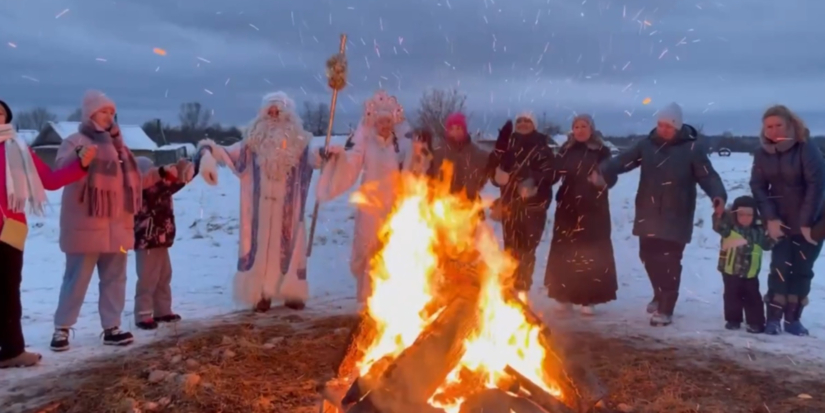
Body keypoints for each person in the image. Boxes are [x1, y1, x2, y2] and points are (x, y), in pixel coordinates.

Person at [50, 90, 176, 351]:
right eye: (103, 111)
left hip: (118, 226)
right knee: (76, 280)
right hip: (86, 227)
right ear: (90, 114)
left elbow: (134, 184)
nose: (108, 116)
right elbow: (61, 171)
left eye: (111, 112)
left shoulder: (121, 149)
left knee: (115, 279)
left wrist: (159, 174)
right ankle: (62, 329)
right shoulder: (75, 141)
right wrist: (80, 159)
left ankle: (112, 327)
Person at [590, 102, 727, 326]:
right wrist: (602, 170)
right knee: (648, 256)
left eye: (669, 126)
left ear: (678, 127)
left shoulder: (692, 149)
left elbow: (707, 176)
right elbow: (623, 161)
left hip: (678, 212)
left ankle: (666, 307)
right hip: (648, 210)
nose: (664, 129)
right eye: (661, 125)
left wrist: (718, 196)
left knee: (670, 260)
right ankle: (659, 292)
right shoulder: (647, 145)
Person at [196, 91, 332, 313]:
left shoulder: (300, 142)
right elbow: (228, 154)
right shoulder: (252, 143)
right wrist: (208, 151)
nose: (274, 115)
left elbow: (313, 158)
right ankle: (261, 294)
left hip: (288, 208)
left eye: (279, 111)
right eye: (270, 111)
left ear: (288, 114)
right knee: (260, 252)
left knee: (290, 250)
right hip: (260, 210)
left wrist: (323, 154)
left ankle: (292, 293)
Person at [0, 99, 93, 367]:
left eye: (1, 112)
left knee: (8, 292)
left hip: (10, 231)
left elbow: (51, 181)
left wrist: (81, 164)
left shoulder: (17, 149)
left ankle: (12, 350)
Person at [315, 90, 430, 303]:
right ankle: (369, 299)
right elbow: (351, 165)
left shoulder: (400, 145)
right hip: (370, 206)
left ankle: (391, 298)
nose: (384, 125)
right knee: (368, 249)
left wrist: (419, 152)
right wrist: (336, 159)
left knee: (391, 248)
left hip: (393, 204)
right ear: (374, 123)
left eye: (388, 122)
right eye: (381, 122)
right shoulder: (366, 144)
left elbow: (414, 166)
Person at [750, 105, 825, 336]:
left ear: (790, 125)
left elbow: (817, 186)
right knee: (780, 268)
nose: (773, 131)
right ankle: (773, 318)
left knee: (801, 270)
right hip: (780, 222)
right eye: (769, 126)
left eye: (778, 125)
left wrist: (806, 223)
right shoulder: (762, 153)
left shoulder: (806, 148)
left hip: (811, 223)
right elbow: (758, 186)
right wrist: (770, 218)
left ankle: (793, 320)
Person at [544, 114, 617, 315]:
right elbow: (553, 173)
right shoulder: (566, 150)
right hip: (567, 207)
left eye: (584, 126)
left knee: (590, 251)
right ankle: (563, 294)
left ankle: (588, 298)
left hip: (593, 208)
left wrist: (601, 179)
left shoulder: (602, 151)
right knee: (565, 250)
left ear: (591, 129)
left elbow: (612, 175)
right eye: (576, 126)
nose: (580, 130)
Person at [491, 112, 556, 294]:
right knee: (510, 248)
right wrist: (497, 175)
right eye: (519, 121)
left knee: (527, 250)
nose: (523, 124)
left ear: (534, 125)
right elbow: (494, 171)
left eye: (527, 121)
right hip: (510, 206)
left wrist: (531, 178)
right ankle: (509, 287)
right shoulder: (508, 146)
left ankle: (522, 288)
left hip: (533, 207)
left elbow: (551, 173)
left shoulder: (542, 148)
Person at [133, 157, 195, 330]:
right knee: (148, 278)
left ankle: (163, 310)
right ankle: (143, 314)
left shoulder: (160, 188)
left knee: (164, 275)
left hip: (161, 239)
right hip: (147, 241)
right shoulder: (141, 190)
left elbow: (171, 186)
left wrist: (186, 173)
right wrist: (171, 175)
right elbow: (161, 188)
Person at [712, 196, 775, 334]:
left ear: (755, 215)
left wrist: (774, 235)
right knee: (731, 296)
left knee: (752, 297)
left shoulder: (759, 231)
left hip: (750, 272)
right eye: (741, 214)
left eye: (749, 215)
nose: (745, 218)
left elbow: (767, 245)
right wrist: (719, 213)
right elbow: (718, 225)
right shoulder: (729, 228)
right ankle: (733, 320)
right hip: (730, 270)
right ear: (734, 214)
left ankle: (755, 322)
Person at [427, 112, 493, 203]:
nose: (455, 132)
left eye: (458, 128)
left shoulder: (477, 153)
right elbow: (428, 177)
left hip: (470, 205)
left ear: (464, 130)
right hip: (443, 205)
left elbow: (492, 172)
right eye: (452, 129)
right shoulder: (438, 152)